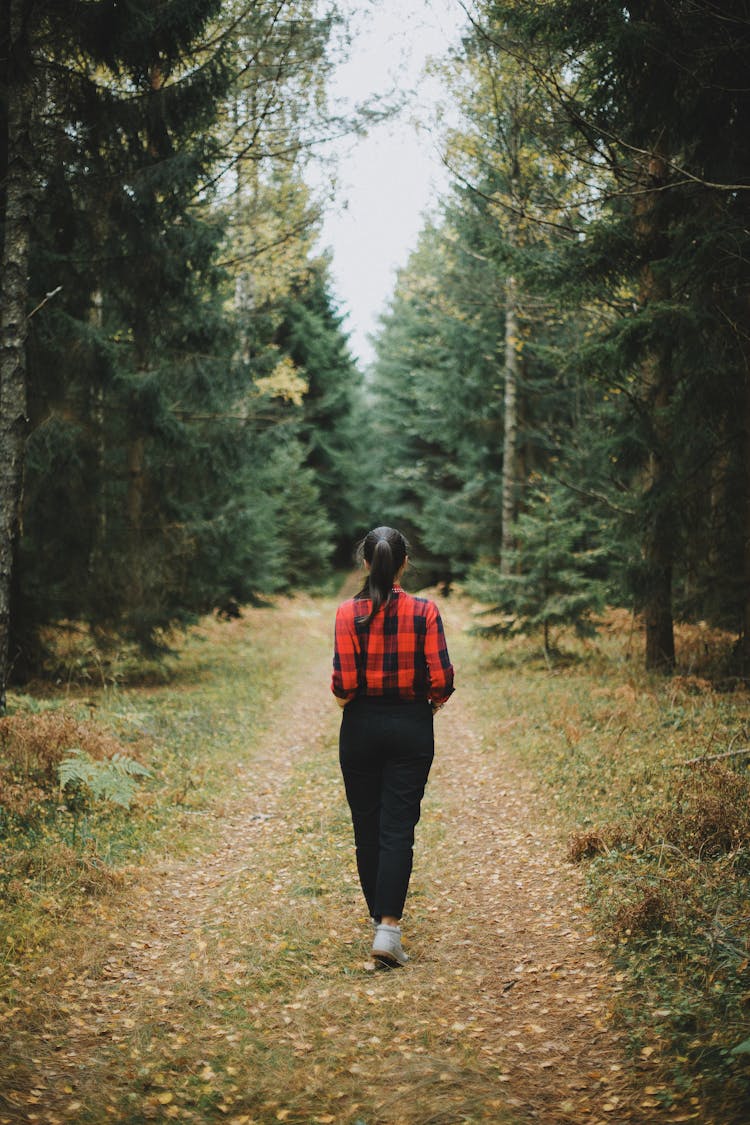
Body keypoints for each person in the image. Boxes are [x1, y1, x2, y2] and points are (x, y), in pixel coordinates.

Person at [331, 526, 454, 967]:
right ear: (403, 563)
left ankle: (379, 925)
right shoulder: (425, 611)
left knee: (367, 826)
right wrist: (427, 708)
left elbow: (343, 687)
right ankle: (388, 930)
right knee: (398, 827)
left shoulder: (348, 613)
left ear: (366, 563)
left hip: (360, 726)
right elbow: (442, 679)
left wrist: (355, 701)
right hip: (410, 725)